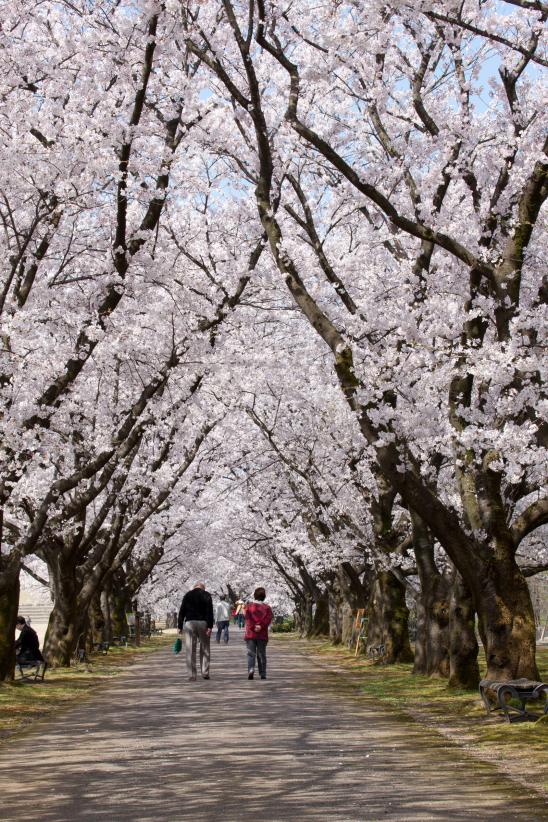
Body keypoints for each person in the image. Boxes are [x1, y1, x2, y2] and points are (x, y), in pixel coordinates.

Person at [177, 582, 214, 681]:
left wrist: (179, 626)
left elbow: (182, 611)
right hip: (203, 623)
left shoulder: (188, 595)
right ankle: (205, 672)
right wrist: (210, 626)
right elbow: (210, 611)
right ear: (203, 588)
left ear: (194, 587)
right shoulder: (206, 595)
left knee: (190, 649)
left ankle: (192, 675)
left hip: (190, 623)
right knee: (205, 648)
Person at [244, 587, 273, 680]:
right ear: (264, 596)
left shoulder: (249, 607)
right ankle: (263, 673)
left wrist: (253, 627)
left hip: (250, 634)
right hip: (262, 634)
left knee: (251, 653)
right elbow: (268, 619)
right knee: (261, 654)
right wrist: (261, 626)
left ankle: (251, 669)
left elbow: (248, 620)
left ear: (254, 596)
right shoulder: (267, 608)